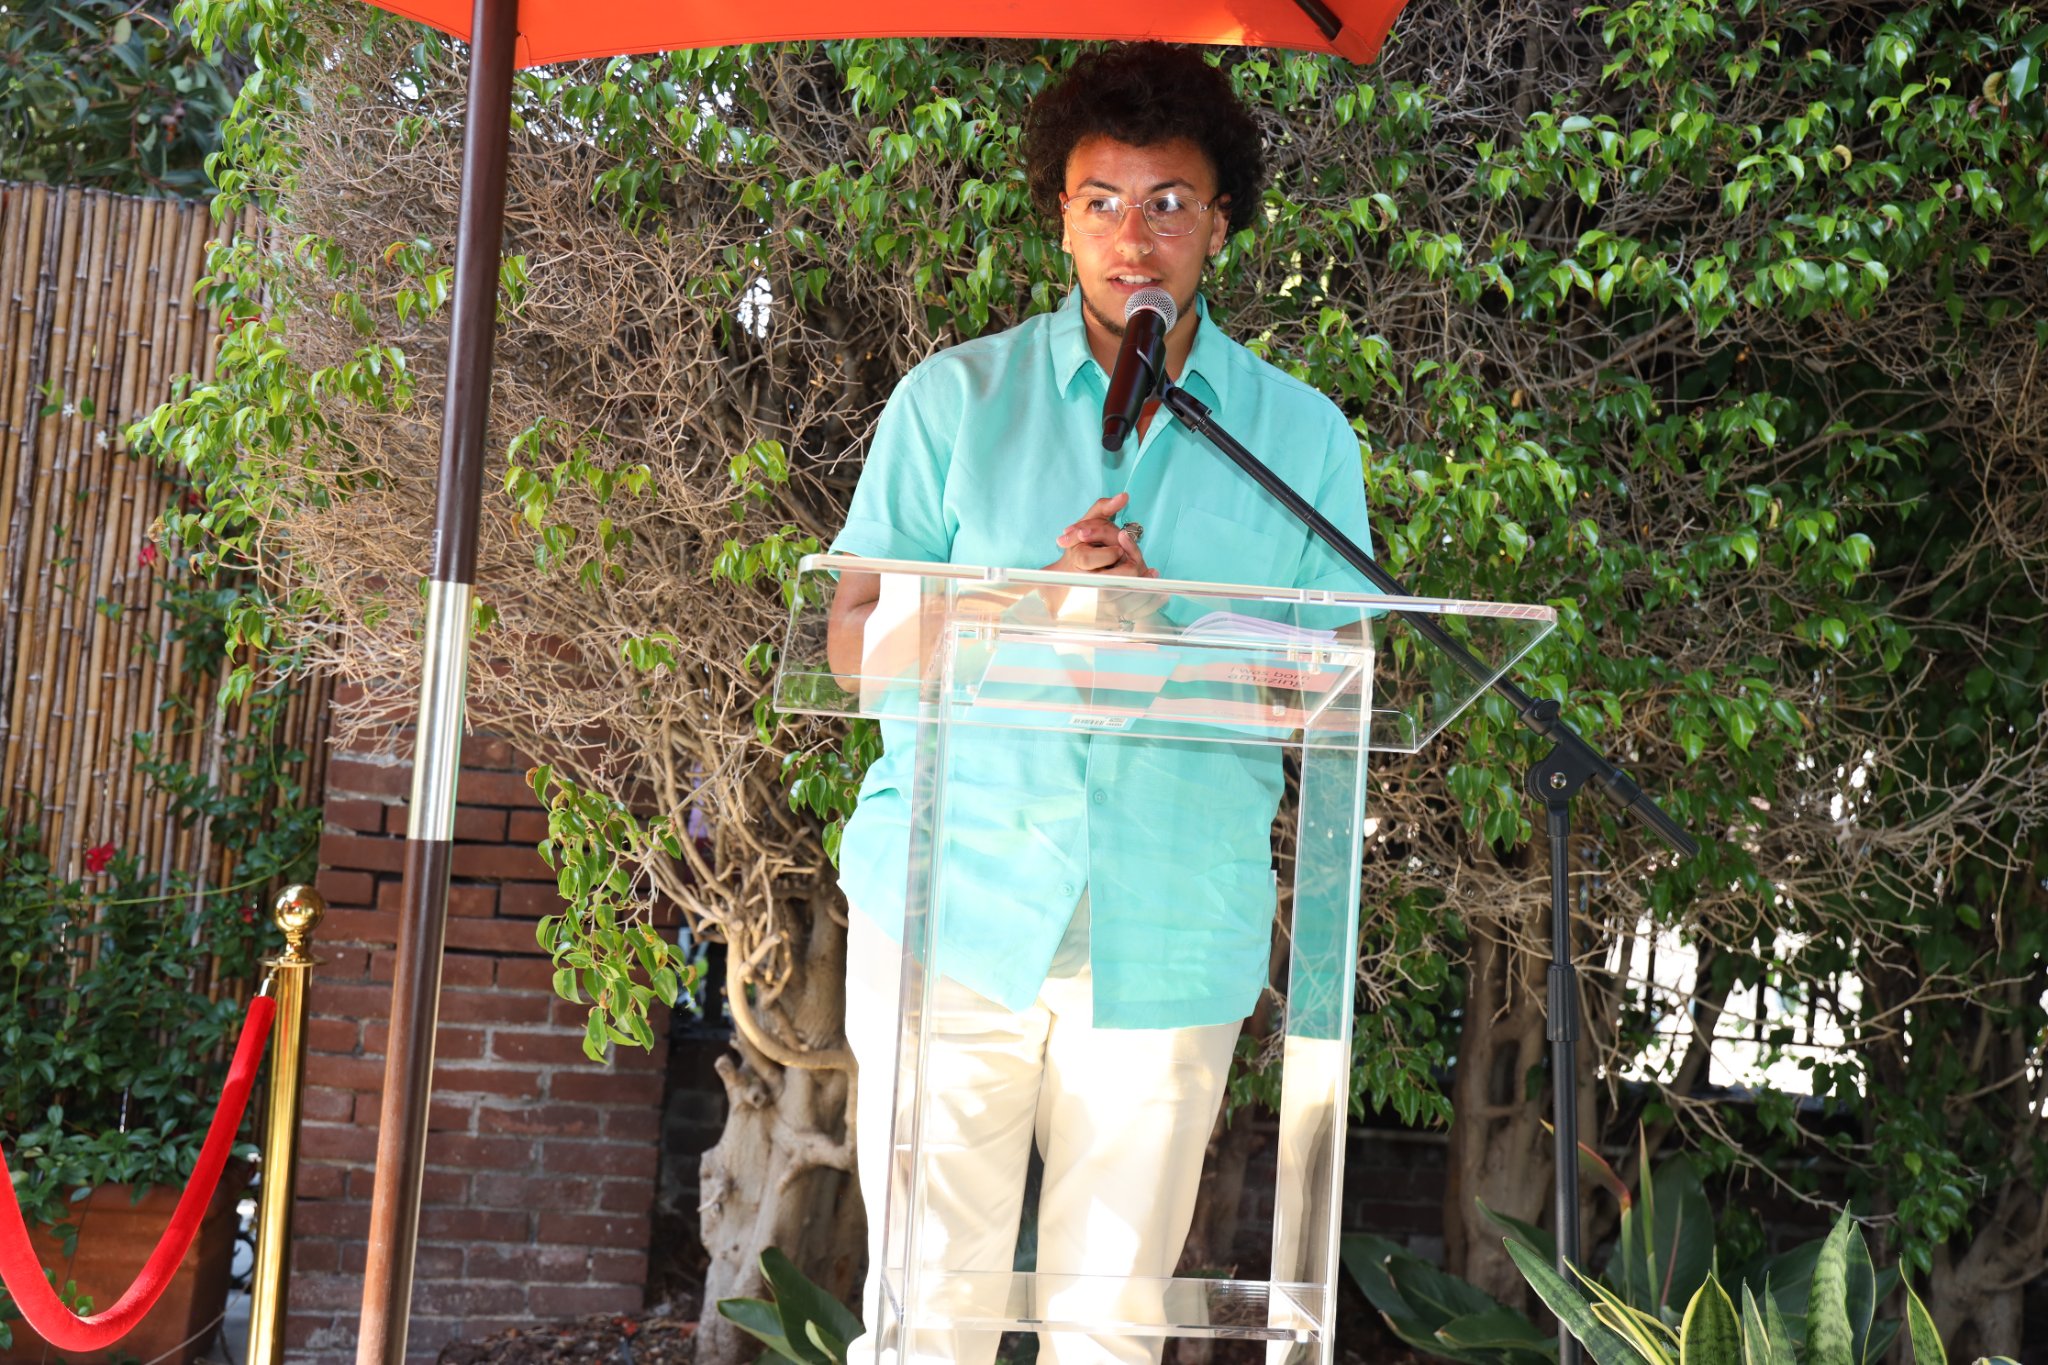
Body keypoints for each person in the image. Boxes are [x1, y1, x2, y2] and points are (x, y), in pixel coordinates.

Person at [823, 42, 1375, 1365]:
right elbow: (849, 646)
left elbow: (1336, 679)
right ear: (1062, 221)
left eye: (1169, 202)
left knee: (1111, 1323)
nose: (1136, 237)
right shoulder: (954, 402)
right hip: (949, 906)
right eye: (1102, 202)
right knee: (928, 1318)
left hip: (1172, 922)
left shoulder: (1299, 437)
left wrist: (1164, 616)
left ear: (1220, 223)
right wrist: (1030, 598)